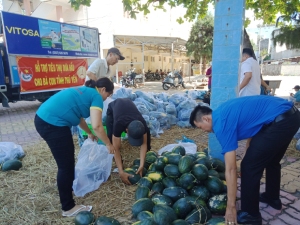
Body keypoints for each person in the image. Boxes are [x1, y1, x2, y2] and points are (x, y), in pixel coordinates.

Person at [189, 96, 300, 225]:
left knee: (248, 167)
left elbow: (231, 169)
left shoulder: (221, 124)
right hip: (292, 117)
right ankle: (272, 198)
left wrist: (231, 207)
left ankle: (250, 214)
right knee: (271, 161)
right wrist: (249, 151)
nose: (205, 131)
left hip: (279, 123)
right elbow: (255, 124)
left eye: (201, 127)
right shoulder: (222, 111)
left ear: (206, 118)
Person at [34, 78, 115, 217]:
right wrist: (108, 143)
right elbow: (97, 125)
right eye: (108, 95)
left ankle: (64, 188)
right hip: (53, 124)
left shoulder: (86, 92)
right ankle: (68, 207)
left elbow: (79, 119)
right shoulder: (96, 96)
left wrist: (89, 133)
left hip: (43, 118)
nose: (106, 99)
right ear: (102, 90)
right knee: (66, 166)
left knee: (65, 164)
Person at [106, 98, 151, 185]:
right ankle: (118, 163)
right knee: (111, 138)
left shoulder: (142, 124)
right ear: (126, 130)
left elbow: (144, 144)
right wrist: (121, 171)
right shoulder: (118, 124)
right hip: (113, 109)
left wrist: (141, 165)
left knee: (147, 137)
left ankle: (148, 155)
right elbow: (116, 149)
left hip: (128, 106)